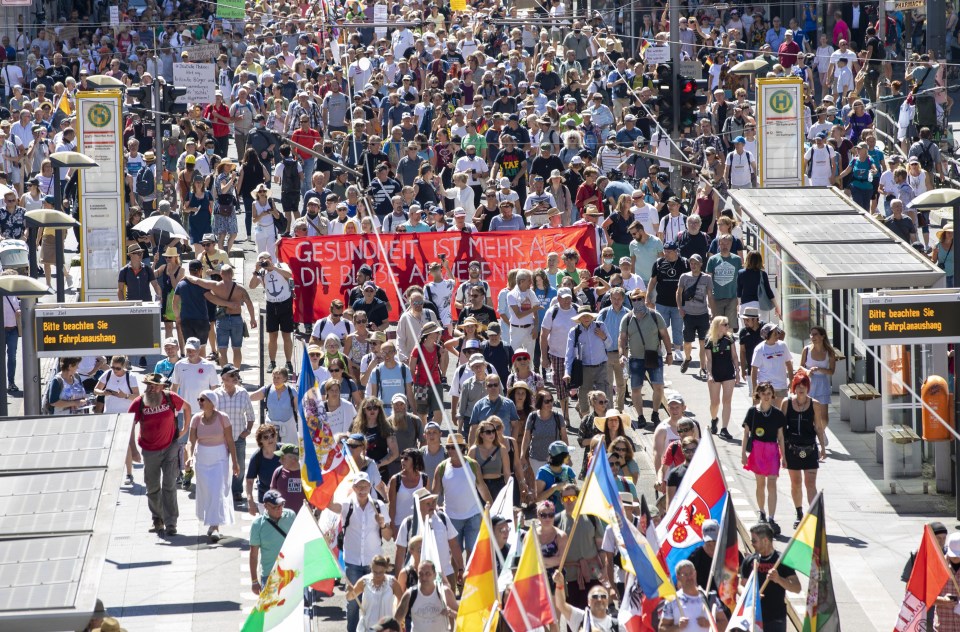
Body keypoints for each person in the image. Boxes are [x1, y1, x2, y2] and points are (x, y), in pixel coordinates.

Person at [329, 473, 393, 632]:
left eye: (365, 486)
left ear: (370, 487)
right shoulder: (347, 505)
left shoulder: (378, 506)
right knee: (352, 603)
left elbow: (388, 536)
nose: (362, 489)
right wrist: (327, 485)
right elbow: (330, 505)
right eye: (359, 486)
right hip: (353, 562)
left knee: (376, 601)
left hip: (374, 564)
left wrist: (383, 525)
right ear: (354, 488)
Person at [128, 373, 189, 537]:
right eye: (149, 385)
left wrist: (184, 431)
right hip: (149, 451)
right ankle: (157, 519)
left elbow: (187, 407)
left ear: (162, 387)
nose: (152, 388)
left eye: (155, 385)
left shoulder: (170, 398)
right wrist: (133, 450)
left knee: (169, 485)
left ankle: (171, 523)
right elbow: (129, 427)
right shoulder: (139, 402)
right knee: (152, 487)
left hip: (170, 447)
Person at [185, 390, 238, 543]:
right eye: (199, 399)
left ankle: (215, 526)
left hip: (219, 458)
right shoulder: (196, 419)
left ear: (212, 402)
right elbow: (190, 441)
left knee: (217, 491)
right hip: (202, 458)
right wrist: (189, 457)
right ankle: (210, 521)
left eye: (203, 399)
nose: (200, 402)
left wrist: (235, 462)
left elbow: (230, 441)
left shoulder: (223, 418)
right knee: (206, 491)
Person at [619, 289, 672, 428]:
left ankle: (655, 413)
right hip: (635, 358)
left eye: (640, 298)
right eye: (634, 299)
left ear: (644, 299)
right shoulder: (627, 318)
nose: (637, 302)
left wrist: (670, 354)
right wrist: (621, 355)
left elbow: (665, 335)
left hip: (654, 355)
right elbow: (622, 338)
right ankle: (641, 416)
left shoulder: (655, 315)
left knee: (658, 386)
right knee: (636, 389)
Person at [431, 433, 491, 553]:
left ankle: (469, 573)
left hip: (473, 516)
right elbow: (434, 493)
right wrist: (432, 511)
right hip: (451, 518)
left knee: (472, 552)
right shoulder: (441, 468)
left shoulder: (473, 465)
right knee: (455, 554)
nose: (451, 450)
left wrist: (491, 506)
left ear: (463, 448)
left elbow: (482, 487)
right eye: (448, 447)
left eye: (454, 447)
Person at [782, 371, 828, 528]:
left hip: (810, 448)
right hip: (792, 448)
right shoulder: (786, 403)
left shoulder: (815, 404)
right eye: (798, 386)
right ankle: (799, 513)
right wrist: (781, 451)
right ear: (794, 387)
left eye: (804, 386)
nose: (801, 389)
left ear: (808, 387)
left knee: (810, 483)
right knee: (796, 482)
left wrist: (823, 447)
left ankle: (814, 516)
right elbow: (781, 429)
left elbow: (819, 427)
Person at [742, 381, 789, 534]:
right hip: (757, 449)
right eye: (763, 393)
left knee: (772, 484)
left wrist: (784, 456)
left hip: (772, 450)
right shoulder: (752, 412)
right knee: (760, 483)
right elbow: (746, 434)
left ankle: (771, 517)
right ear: (759, 395)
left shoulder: (777, 414)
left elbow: (781, 437)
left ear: (772, 394)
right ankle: (761, 512)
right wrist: (743, 453)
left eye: (769, 393)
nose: (767, 396)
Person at [394, 488, 463, 587]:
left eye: (433, 502)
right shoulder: (408, 524)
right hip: (418, 577)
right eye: (427, 503)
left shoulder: (443, 518)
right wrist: (399, 581)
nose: (432, 506)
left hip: (445, 573)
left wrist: (460, 568)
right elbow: (400, 553)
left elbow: (454, 545)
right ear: (418, 505)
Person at [741, 523, 801, 632]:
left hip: (775, 618)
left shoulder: (781, 560)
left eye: (754, 540)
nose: (752, 543)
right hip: (753, 617)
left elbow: (797, 588)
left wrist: (779, 579)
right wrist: (752, 595)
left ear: (765, 540)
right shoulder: (749, 561)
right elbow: (741, 586)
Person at [94, 356, 140, 484]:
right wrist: (104, 393)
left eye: (118, 368)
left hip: (126, 415)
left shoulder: (130, 377)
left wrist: (124, 395)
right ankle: (108, 473)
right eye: (113, 367)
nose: (114, 370)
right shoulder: (107, 374)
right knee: (109, 445)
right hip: (109, 414)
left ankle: (129, 473)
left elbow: (137, 396)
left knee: (126, 445)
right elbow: (96, 389)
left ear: (124, 366)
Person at [249, 251, 294, 373]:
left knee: (286, 334)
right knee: (272, 335)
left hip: (285, 304)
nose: (264, 262)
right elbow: (251, 286)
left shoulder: (281, 265)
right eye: (261, 260)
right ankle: (272, 362)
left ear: (271, 259)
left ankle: (288, 362)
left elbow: (289, 275)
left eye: (266, 259)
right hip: (271, 305)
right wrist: (256, 271)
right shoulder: (261, 273)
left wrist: (273, 267)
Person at [564, 306, 612, 418]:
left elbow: (610, 345)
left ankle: (602, 423)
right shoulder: (574, 332)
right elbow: (569, 354)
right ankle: (585, 420)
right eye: (583, 316)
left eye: (588, 316)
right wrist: (567, 372)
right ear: (579, 318)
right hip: (584, 369)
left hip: (601, 367)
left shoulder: (601, 326)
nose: (586, 318)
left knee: (603, 397)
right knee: (584, 396)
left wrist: (603, 337)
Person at [660, 560, 728, 631]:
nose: (689, 577)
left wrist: (709, 623)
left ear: (695, 573)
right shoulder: (672, 601)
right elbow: (661, 629)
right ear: (678, 577)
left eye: (691, 573)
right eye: (685, 575)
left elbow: (725, 624)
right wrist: (677, 627)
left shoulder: (709, 598)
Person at [249, 490, 295, 593]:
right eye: (275, 507)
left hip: (292, 572)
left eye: (281, 505)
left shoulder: (291, 515)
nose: (279, 509)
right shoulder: (257, 525)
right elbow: (253, 555)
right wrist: (254, 581)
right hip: (270, 576)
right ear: (265, 506)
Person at [393, 560, 459, 630]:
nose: (424, 577)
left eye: (427, 574)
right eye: (421, 574)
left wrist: (452, 613)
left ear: (435, 575)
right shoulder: (410, 594)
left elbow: (464, 616)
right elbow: (396, 621)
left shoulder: (445, 592)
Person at [344, 555, 403, 632]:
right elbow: (350, 597)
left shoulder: (392, 582)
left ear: (385, 569)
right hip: (368, 627)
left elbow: (402, 602)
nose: (378, 575)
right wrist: (349, 591)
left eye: (381, 572)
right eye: (375, 572)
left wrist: (398, 620)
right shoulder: (364, 581)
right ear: (371, 569)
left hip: (387, 628)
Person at [704, 316, 740, 438]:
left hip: (728, 373)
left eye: (727, 324)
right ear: (717, 325)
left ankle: (724, 428)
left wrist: (738, 372)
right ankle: (714, 419)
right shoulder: (709, 340)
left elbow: (734, 356)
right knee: (715, 402)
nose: (727, 326)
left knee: (727, 401)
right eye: (725, 324)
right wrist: (709, 374)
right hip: (715, 373)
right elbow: (708, 360)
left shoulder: (730, 338)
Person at [553, 568, 623, 631]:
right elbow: (561, 604)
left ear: (607, 601)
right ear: (588, 601)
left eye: (603, 596)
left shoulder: (617, 626)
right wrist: (559, 584)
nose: (599, 599)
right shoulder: (580, 618)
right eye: (595, 596)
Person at [799, 325, 837, 437]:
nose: (812, 336)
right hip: (809, 383)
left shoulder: (829, 352)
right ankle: (813, 434)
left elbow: (832, 371)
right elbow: (801, 366)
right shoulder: (806, 349)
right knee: (809, 412)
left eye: (815, 334)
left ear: (822, 336)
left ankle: (821, 431)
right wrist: (807, 371)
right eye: (811, 334)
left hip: (822, 383)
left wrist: (820, 369)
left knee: (824, 416)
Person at [250, 367, 299, 444]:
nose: (275, 380)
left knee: (289, 452)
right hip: (270, 428)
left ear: (285, 378)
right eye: (274, 377)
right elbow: (251, 397)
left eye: (278, 378)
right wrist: (239, 395)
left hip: (289, 428)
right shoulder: (267, 389)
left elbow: (298, 409)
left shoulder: (291, 391)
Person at [468, 418, 511, 501]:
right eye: (488, 432)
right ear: (481, 435)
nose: (492, 434)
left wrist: (508, 489)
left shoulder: (502, 449)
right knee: (482, 513)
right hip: (480, 485)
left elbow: (506, 473)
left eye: (493, 431)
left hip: (498, 485)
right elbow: (469, 473)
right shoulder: (473, 450)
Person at [751, 323, 794, 404]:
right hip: (766, 389)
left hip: (781, 387)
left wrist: (792, 382)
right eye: (775, 333)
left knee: (780, 413)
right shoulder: (759, 349)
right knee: (766, 413)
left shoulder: (783, 345)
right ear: (768, 335)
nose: (778, 335)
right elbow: (754, 369)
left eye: (777, 332)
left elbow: (789, 364)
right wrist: (755, 388)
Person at [244, 424, 282, 515]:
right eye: (266, 437)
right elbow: (249, 481)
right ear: (260, 440)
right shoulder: (257, 457)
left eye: (272, 435)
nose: (270, 439)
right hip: (265, 500)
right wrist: (250, 501)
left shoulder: (284, 451)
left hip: (283, 497)